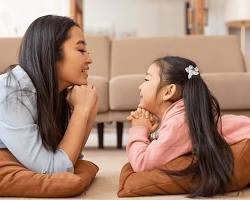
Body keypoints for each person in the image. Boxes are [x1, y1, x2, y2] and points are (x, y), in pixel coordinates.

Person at [126, 56, 250, 197]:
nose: (140, 86)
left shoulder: (180, 123)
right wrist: (149, 132)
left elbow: (142, 164)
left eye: (146, 79)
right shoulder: (183, 116)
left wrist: (138, 128)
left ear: (168, 91)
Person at [0, 15, 98, 174]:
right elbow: (56, 168)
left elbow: (71, 157)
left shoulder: (52, 94)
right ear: (51, 53)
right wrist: (81, 111)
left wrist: (89, 112)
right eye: (81, 50)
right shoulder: (11, 94)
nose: (89, 59)